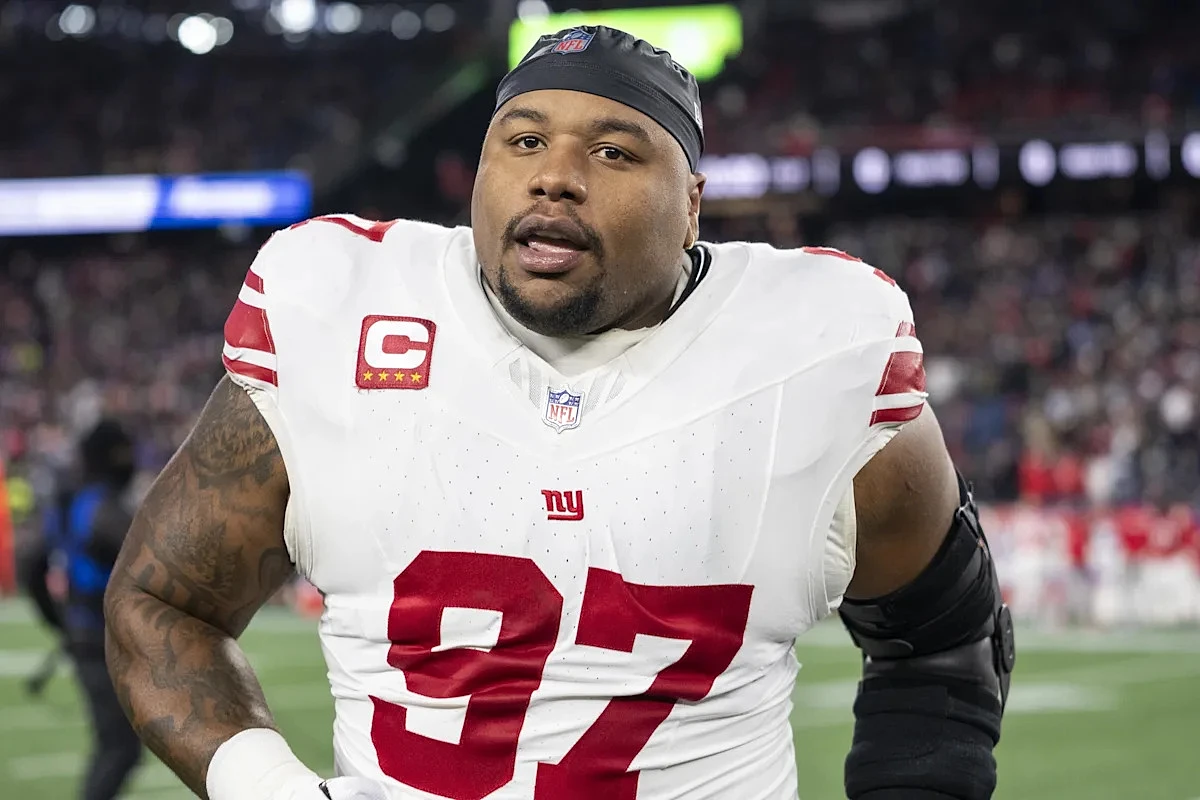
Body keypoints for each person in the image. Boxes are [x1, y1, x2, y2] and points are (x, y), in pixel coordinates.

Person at [104, 26, 1015, 800]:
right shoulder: (340, 311)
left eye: (614, 152)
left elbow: (945, 642)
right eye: (524, 141)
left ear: (692, 206)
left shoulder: (816, 350)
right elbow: (161, 603)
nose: (556, 178)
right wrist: (268, 788)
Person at [21, 419, 143, 800]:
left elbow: (31, 566)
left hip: (85, 636)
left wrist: (62, 622)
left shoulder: (67, 504)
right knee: (120, 748)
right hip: (105, 641)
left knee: (117, 745)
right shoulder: (103, 509)